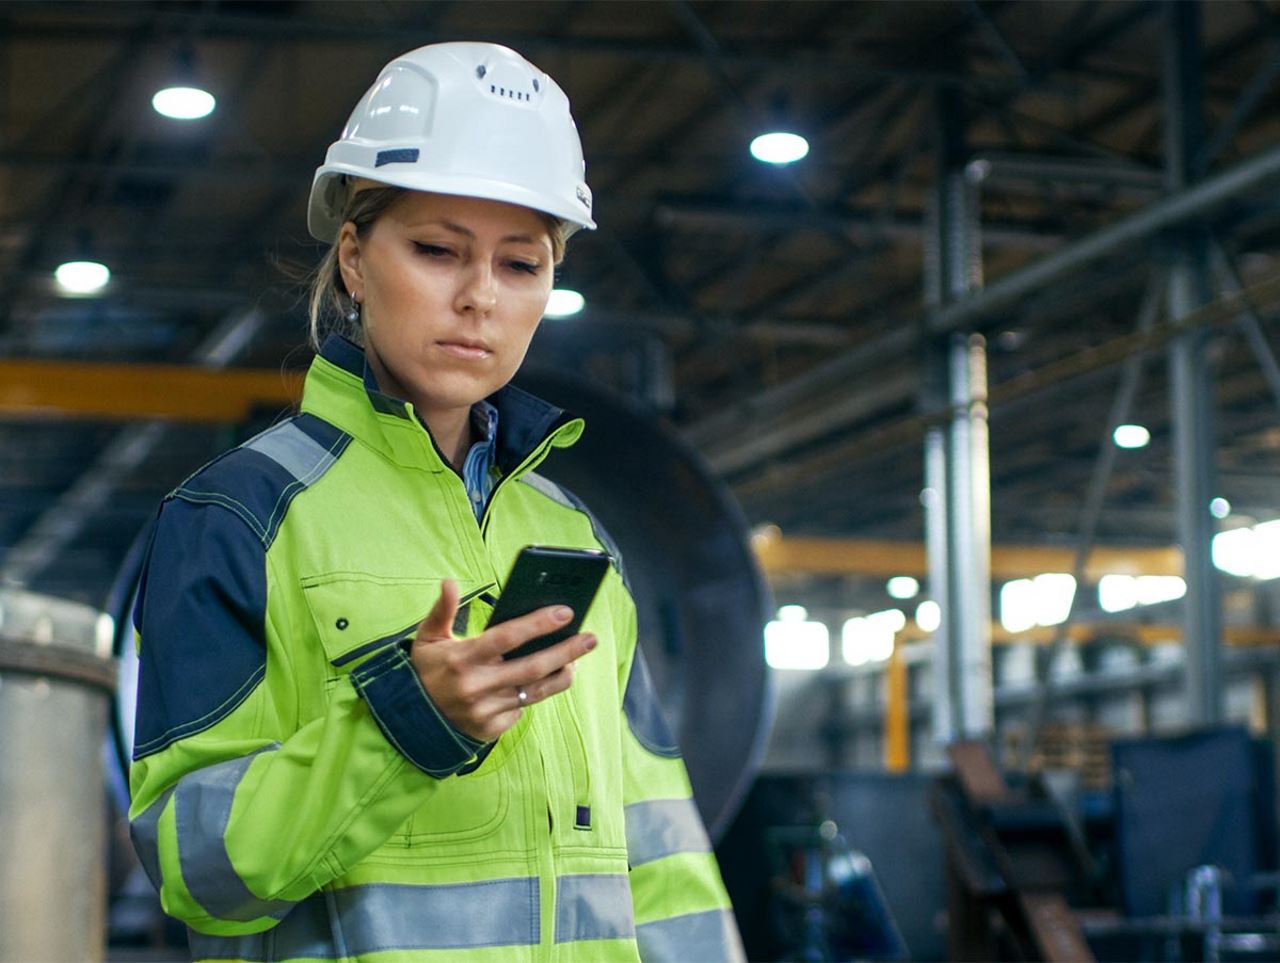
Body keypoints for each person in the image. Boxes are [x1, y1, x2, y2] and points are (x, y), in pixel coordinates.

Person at [126, 41, 744, 963]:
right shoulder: (237, 519)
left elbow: (661, 851)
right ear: (354, 262)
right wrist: (401, 725)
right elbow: (195, 871)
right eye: (435, 250)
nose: (479, 299)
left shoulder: (573, 535)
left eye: (521, 265)